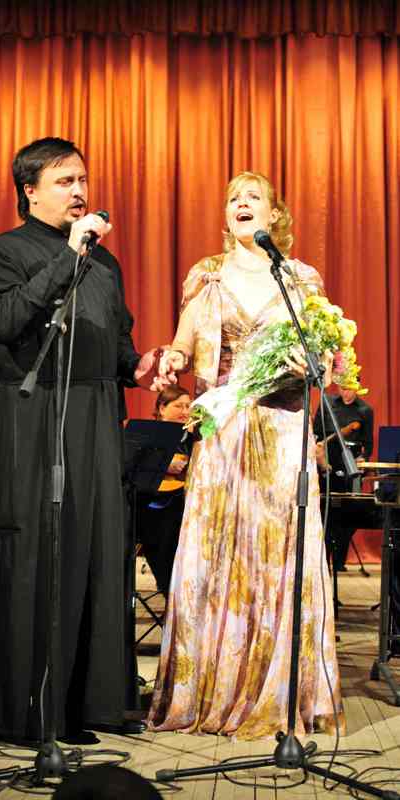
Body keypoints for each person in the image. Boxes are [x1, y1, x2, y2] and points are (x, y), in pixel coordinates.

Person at [0, 137, 168, 744]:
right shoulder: (3, 252)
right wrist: (67, 256)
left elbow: (118, 343)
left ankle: (88, 703)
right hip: (35, 413)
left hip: (97, 416)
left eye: (82, 180)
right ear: (29, 191)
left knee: (96, 552)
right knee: (40, 552)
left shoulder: (105, 263)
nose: (79, 191)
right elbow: (6, 322)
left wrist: (140, 367)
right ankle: (30, 708)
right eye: (63, 181)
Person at [146, 171, 344, 739]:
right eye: (233, 197)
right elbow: (184, 343)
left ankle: (278, 689)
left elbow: (325, 351)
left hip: (282, 429)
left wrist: (317, 363)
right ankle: (210, 687)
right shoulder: (207, 274)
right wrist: (171, 358)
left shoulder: (300, 278)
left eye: (252, 196)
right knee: (218, 548)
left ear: (273, 214)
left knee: (278, 548)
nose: (240, 203)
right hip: (225, 429)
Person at [136, 385, 192, 596]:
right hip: (154, 509)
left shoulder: (192, 439)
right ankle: (170, 590)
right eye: (178, 406)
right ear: (162, 408)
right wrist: (164, 465)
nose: (185, 411)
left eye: (188, 406)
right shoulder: (148, 434)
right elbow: (134, 469)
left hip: (183, 507)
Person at [314, 387, 374, 570]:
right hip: (326, 461)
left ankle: (339, 561)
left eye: (349, 389)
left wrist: (363, 459)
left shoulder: (365, 410)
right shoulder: (327, 402)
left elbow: (368, 443)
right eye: (343, 388)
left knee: (349, 513)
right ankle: (322, 561)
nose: (346, 392)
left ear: (357, 389)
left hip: (350, 464)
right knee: (324, 511)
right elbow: (316, 432)